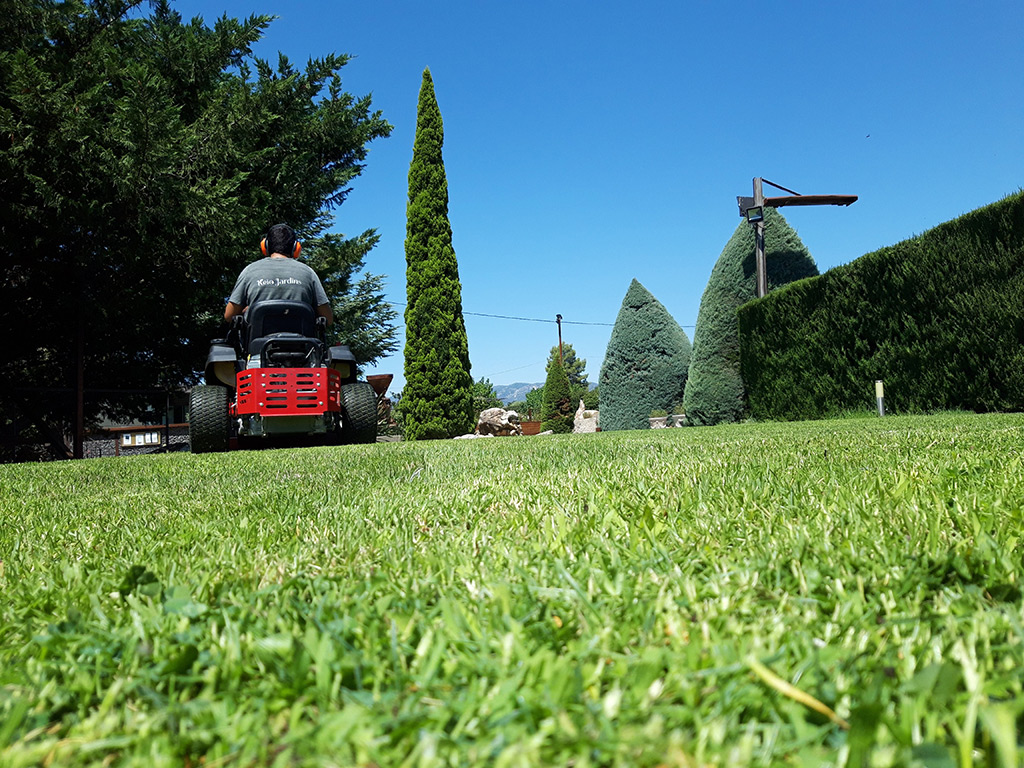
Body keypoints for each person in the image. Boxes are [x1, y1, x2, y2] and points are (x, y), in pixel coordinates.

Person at [224, 223, 333, 325]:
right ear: (296, 248)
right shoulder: (308, 272)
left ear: (265, 246)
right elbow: (327, 318)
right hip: (301, 339)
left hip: (257, 339)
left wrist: (249, 310)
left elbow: (229, 316)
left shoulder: (249, 270)